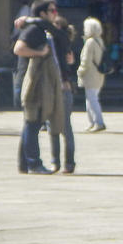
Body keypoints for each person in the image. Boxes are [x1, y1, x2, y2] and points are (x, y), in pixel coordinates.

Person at [13, 0, 63, 174]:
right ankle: (34, 163)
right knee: (32, 123)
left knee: (31, 123)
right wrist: (40, 53)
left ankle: (24, 164)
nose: (55, 13)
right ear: (42, 13)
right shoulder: (34, 29)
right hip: (31, 83)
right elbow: (18, 49)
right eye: (52, 10)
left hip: (35, 82)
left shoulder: (39, 28)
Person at [49, 16, 77, 173]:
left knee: (65, 126)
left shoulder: (65, 45)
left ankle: (69, 162)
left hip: (64, 88)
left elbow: (69, 65)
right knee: (52, 126)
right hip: (52, 88)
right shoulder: (49, 44)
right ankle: (56, 161)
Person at [77, 17, 107, 132]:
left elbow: (86, 60)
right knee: (90, 98)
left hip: (90, 74)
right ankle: (92, 122)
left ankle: (99, 122)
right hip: (98, 74)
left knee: (92, 99)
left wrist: (80, 71)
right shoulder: (99, 40)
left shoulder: (90, 42)